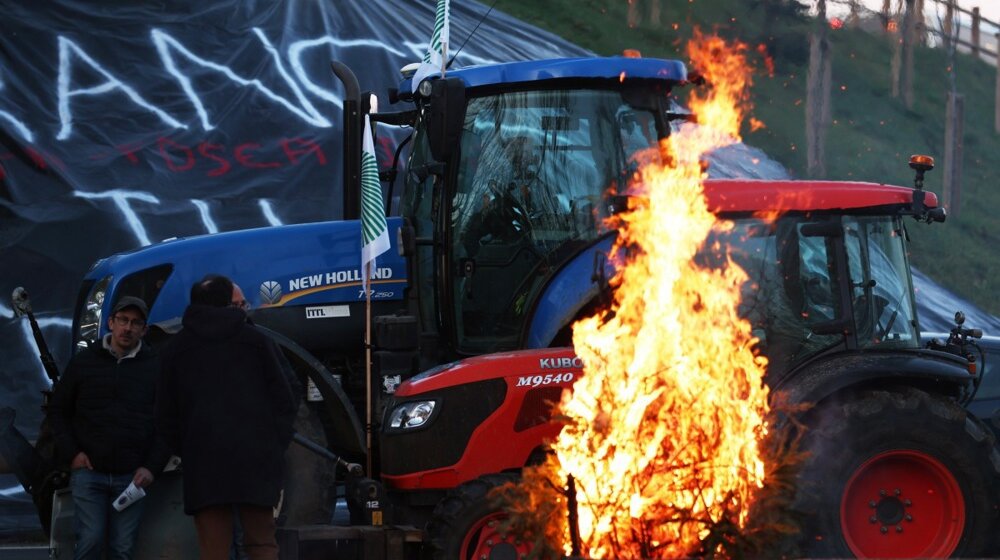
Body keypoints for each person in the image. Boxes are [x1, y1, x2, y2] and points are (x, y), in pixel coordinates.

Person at [156, 274, 296, 560]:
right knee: (261, 544)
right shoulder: (256, 341)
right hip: (256, 462)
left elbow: (164, 414)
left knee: (213, 549)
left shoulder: (176, 350)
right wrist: (273, 444)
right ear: (226, 302)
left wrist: (188, 449)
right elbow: (286, 398)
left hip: (204, 467)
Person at [48, 296, 162, 560]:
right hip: (90, 472)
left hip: (132, 476)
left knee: (123, 547)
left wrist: (151, 467)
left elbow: (167, 421)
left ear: (144, 329)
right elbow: (58, 411)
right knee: (90, 540)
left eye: (135, 323)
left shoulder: (155, 367)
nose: (128, 328)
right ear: (110, 322)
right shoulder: (84, 362)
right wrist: (72, 453)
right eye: (123, 320)